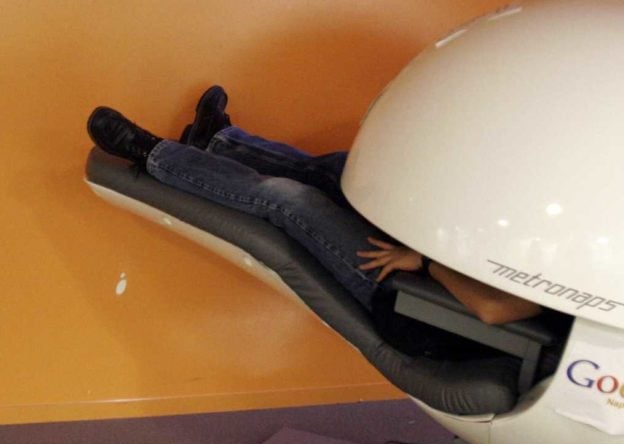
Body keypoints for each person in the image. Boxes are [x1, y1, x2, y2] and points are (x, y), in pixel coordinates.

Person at [86, 86, 544, 356]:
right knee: (350, 172)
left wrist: (424, 261)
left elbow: (497, 308)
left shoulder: (579, 291)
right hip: (436, 261)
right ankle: (215, 142)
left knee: (294, 202)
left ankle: (152, 154)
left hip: (418, 304)